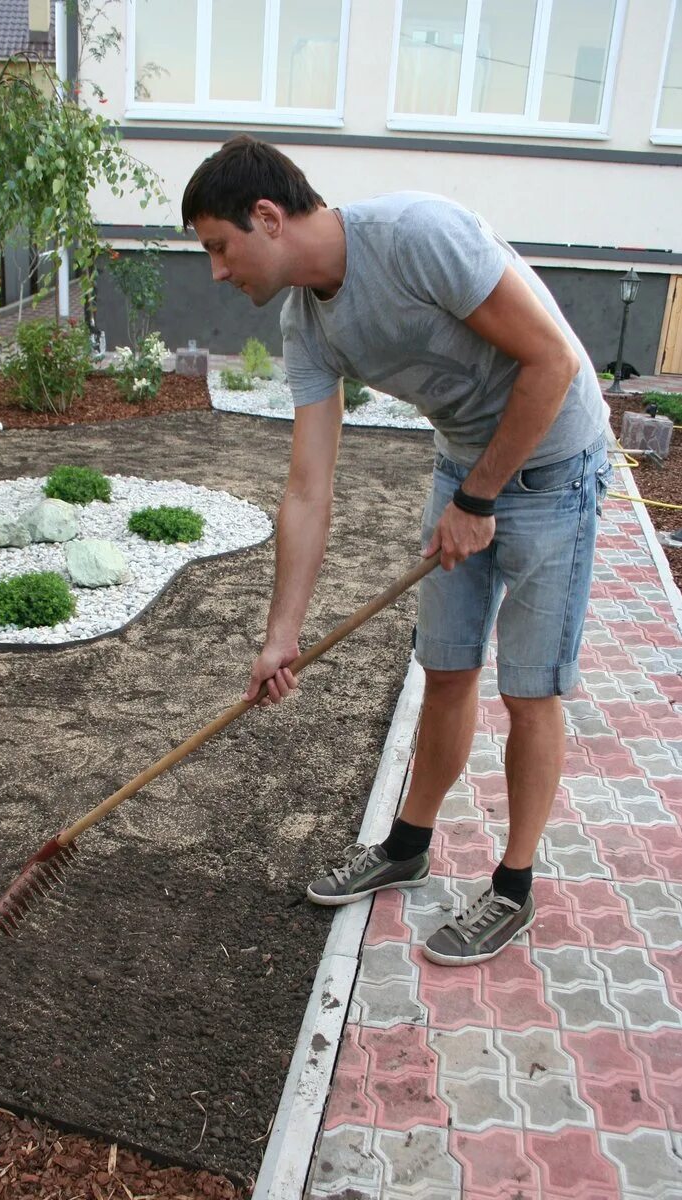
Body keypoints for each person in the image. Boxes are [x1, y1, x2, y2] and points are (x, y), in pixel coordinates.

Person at [181, 135, 611, 966]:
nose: (217, 271)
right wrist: (283, 633)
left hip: (554, 466)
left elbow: (552, 359)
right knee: (445, 672)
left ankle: (512, 887)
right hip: (465, 475)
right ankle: (407, 845)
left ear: (265, 218)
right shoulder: (308, 323)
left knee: (529, 691)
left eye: (218, 247)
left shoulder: (419, 237)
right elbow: (309, 488)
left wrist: (479, 500)